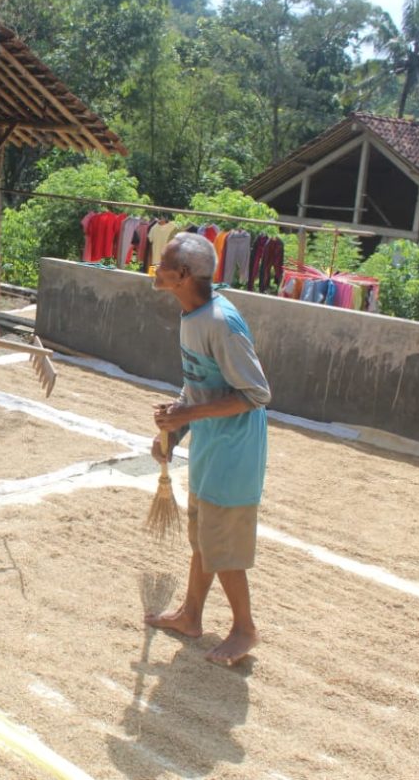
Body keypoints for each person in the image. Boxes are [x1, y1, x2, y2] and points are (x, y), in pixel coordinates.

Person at [146, 232, 271, 666]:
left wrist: (186, 418)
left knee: (223, 548)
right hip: (210, 447)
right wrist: (176, 429)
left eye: (161, 263)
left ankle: (244, 629)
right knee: (203, 539)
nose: (154, 268)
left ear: (181, 275)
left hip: (234, 455)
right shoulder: (192, 316)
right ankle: (191, 615)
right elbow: (199, 381)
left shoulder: (221, 322)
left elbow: (255, 394)